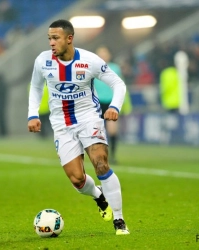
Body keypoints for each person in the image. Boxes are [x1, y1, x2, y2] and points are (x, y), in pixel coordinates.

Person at [27, 19, 129, 235]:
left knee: (101, 164)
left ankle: (119, 220)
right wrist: (33, 115)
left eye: (55, 38)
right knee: (77, 179)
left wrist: (114, 107)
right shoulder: (43, 61)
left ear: (69, 38)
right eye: (49, 38)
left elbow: (118, 84)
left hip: (88, 119)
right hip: (61, 126)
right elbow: (36, 87)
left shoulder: (90, 61)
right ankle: (99, 196)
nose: (51, 43)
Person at [94, 46, 123, 164]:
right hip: (96, 103)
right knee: (97, 131)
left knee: (112, 131)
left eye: (104, 53)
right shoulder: (92, 68)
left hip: (111, 103)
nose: (103, 56)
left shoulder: (115, 68)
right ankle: (99, 156)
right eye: (100, 54)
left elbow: (120, 86)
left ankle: (113, 156)